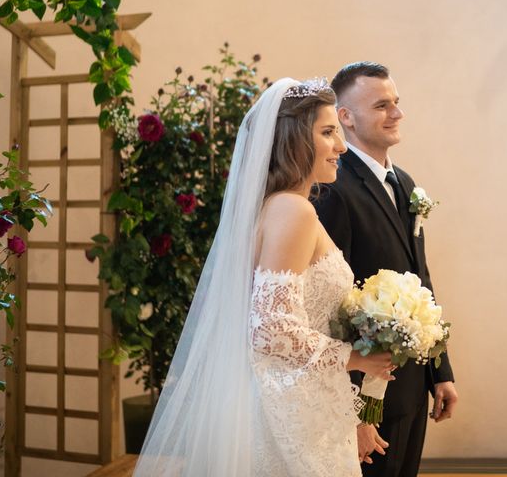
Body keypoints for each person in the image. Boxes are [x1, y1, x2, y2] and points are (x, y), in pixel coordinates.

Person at [133, 77, 395, 477]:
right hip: (292, 414)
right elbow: (271, 330)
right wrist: (359, 357)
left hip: (304, 400)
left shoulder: (278, 207)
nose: (341, 146)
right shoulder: (293, 211)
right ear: (293, 141)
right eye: (328, 133)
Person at [314, 62, 459, 477]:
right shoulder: (333, 190)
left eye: (396, 103)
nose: (396, 113)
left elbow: (421, 281)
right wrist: (356, 411)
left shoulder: (406, 184)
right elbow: (328, 309)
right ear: (346, 117)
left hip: (411, 385)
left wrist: (439, 370)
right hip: (367, 398)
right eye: (381, 105)